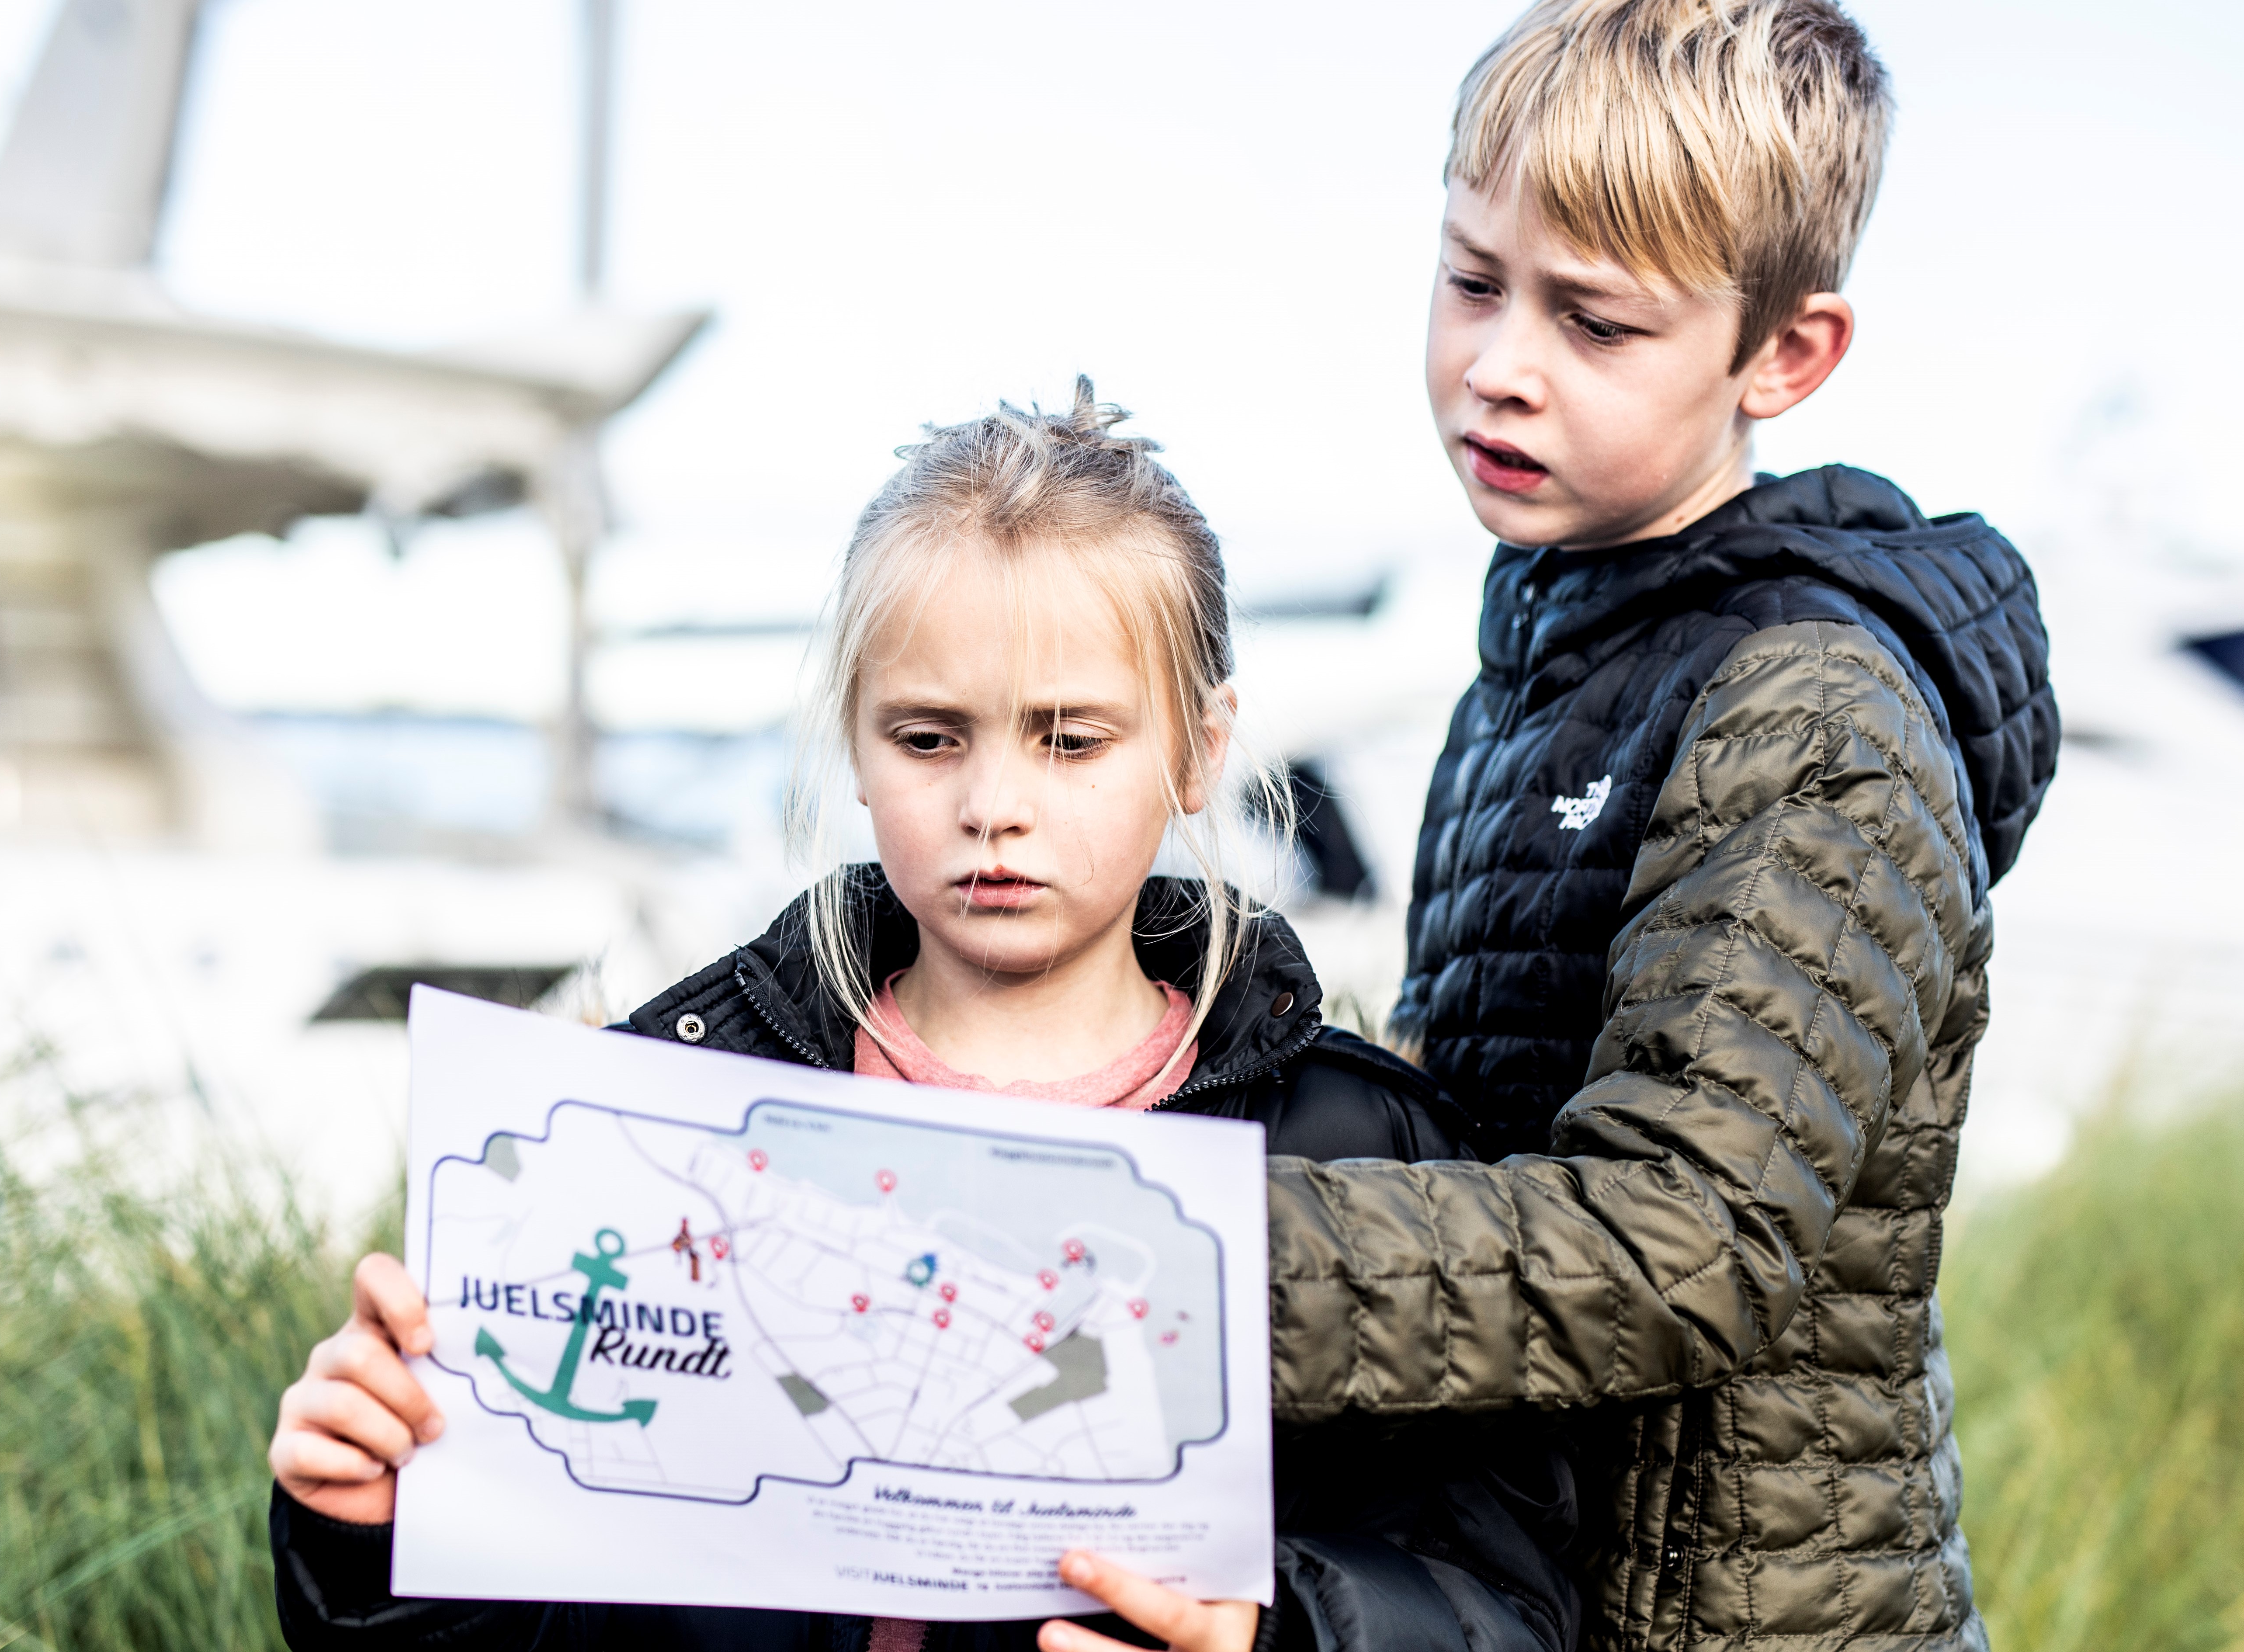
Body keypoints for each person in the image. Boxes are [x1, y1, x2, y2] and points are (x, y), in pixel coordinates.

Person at [265, 384, 1582, 1652]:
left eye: (1070, 739)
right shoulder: (660, 1111)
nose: (992, 804)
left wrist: (1273, 1632)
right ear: (854, 735)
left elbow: (1504, 1600)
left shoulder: (1357, 1142)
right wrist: (375, 1530)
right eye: (930, 736)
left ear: (1198, 745)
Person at [1257, 3, 2061, 1649]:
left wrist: (1189, 1268)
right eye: (1473, 278)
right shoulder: (1534, 675)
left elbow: (1686, 1239)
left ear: (1784, 355)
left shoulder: (1813, 713)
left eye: (1595, 323)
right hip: (1535, 1590)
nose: (1500, 362)